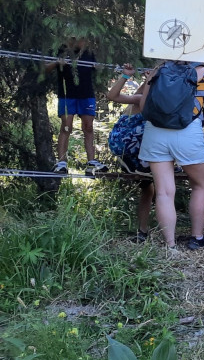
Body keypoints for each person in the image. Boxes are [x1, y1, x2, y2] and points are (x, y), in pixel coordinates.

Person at [138, 62, 204, 252]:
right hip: (188, 131)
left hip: (155, 132)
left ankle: (170, 246)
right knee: (200, 185)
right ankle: (196, 237)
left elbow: (143, 106)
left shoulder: (159, 68)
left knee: (164, 192)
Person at [106, 63, 154, 243]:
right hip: (128, 148)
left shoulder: (147, 99)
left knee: (148, 189)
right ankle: (147, 230)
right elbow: (112, 95)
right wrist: (126, 76)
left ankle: (143, 230)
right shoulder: (141, 99)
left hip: (133, 151)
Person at [47, 38, 109, 175]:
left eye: (85, 39)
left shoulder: (89, 52)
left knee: (88, 127)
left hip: (87, 94)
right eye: (81, 40)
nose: (84, 42)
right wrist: (57, 62)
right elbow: (45, 68)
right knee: (66, 126)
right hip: (66, 95)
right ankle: (61, 163)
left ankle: (91, 162)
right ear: (72, 39)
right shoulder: (61, 50)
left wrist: (99, 67)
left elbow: (100, 68)